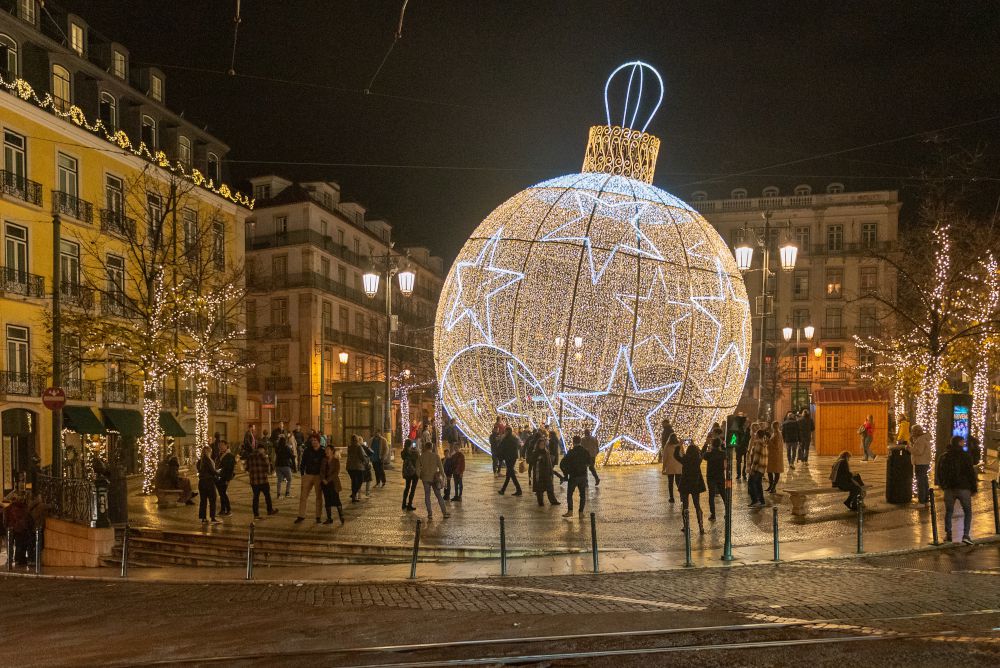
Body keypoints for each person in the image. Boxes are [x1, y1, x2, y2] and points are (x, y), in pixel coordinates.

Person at [936, 435, 978, 544]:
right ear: (959, 443)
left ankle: (948, 534)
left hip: (949, 488)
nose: (964, 443)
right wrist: (973, 488)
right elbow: (970, 473)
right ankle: (966, 535)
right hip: (964, 488)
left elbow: (939, 472)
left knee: (949, 511)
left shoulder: (944, 456)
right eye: (963, 442)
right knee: (967, 511)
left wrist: (943, 485)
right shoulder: (966, 456)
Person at [675, 441, 706, 534]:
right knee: (697, 505)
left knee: (685, 506)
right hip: (695, 484)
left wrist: (679, 446)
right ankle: (701, 527)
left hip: (685, 484)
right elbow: (702, 452)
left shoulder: (685, 459)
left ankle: (686, 526)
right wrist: (700, 445)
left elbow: (676, 455)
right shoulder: (698, 460)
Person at [294, 435, 325, 523]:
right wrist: (302, 474)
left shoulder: (322, 451)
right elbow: (303, 462)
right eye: (312, 440)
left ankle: (318, 516)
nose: (314, 442)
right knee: (303, 496)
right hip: (308, 475)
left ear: (319, 441)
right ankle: (301, 515)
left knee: (319, 497)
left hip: (318, 476)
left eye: (315, 440)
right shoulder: (307, 450)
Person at [417, 440, 449, 520]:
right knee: (438, 495)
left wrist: (420, 476)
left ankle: (430, 514)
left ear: (425, 447)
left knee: (427, 496)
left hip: (425, 478)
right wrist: (443, 478)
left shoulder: (421, 456)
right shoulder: (436, 456)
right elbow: (441, 469)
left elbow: (417, 469)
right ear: (432, 447)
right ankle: (444, 512)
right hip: (434, 479)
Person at [560, 436, 591, 517]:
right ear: (580, 441)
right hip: (583, 476)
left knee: (570, 494)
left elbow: (562, 464)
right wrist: (584, 466)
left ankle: (570, 511)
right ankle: (581, 512)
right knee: (582, 495)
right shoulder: (585, 451)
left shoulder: (571, 452)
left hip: (573, 476)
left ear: (573, 442)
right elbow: (590, 462)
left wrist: (566, 473)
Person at [246, 443, 278, 519]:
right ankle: (269, 510)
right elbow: (268, 469)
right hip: (263, 480)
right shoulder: (264, 456)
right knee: (267, 496)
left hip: (254, 481)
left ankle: (256, 514)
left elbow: (247, 468)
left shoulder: (250, 456)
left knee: (255, 498)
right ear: (262, 449)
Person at [2, 493, 32, 566]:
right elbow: (27, 518)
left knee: (10, 546)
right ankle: (18, 560)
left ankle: (10, 560)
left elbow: (5, 521)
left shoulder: (7, 509)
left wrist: (6, 527)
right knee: (19, 545)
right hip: (21, 529)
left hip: (11, 529)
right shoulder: (24, 507)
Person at [319, 443, 345, 525]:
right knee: (327, 500)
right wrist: (323, 479)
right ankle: (329, 518)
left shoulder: (336, 461)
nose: (326, 451)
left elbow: (335, 473)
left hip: (333, 483)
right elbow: (321, 471)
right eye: (325, 450)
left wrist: (328, 480)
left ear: (332, 451)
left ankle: (341, 517)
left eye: (328, 450)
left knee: (336, 500)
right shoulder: (323, 460)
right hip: (325, 484)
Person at [702, 436, 726, 521]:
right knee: (724, 494)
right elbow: (725, 451)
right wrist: (722, 445)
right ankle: (727, 512)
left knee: (711, 496)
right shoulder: (723, 454)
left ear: (712, 445)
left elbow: (702, 454)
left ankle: (713, 515)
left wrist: (705, 444)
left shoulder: (709, 454)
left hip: (711, 477)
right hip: (720, 476)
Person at [532, 439, 561, 507]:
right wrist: (538, 459)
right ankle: (540, 502)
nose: (542, 446)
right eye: (541, 444)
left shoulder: (546, 451)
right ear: (538, 445)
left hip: (547, 472)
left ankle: (553, 501)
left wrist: (551, 471)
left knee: (550, 487)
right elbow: (531, 460)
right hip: (539, 473)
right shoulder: (535, 452)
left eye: (543, 444)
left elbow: (549, 463)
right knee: (540, 489)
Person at [195, 446, 220, 524]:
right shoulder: (208, 460)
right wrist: (218, 473)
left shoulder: (200, 461)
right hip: (209, 482)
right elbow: (212, 471)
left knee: (203, 501)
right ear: (209, 452)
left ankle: (203, 519)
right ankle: (212, 518)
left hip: (201, 482)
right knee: (212, 499)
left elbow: (200, 470)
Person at [908, 424, 932, 505]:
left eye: (913, 431)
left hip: (920, 463)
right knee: (924, 481)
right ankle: (926, 499)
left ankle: (922, 501)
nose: (912, 432)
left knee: (921, 482)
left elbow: (918, 451)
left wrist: (908, 448)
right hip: (925, 462)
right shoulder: (924, 438)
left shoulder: (920, 440)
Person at [746, 427, 769, 508]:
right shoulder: (764, 443)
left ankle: (755, 500)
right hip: (762, 468)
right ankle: (762, 501)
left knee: (751, 483)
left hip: (757, 468)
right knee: (758, 484)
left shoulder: (758, 443)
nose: (754, 435)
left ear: (758, 435)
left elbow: (756, 458)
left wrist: (752, 469)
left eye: (756, 434)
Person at [497, 426, 523, 496]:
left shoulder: (506, 439)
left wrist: (501, 457)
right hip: (513, 458)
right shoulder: (514, 438)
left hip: (508, 458)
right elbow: (519, 446)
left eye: (505, 431)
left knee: (511, 474)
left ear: (507, 431)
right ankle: (503, 490)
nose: (504, 432)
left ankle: (519, 490)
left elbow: (502, 448)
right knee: (509, 474)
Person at [215, 440, 235, 517]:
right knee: (221, 494)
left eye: (222, 445)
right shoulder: (219, 455)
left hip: (224, 478)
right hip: (218, 477)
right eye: (219, 445)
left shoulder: (229, 456)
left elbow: (230, 469)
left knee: (223, 493)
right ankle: (223, 510)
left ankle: (229, 510)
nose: (220, 447)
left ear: (227, 446)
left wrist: (228, 479)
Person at [346, 434, 368, 502]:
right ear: (357, 440)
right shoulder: (358, 447)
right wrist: (366, 462)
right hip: (358, 467)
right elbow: (362, 456)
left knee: (354, 481)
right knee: (360, 480)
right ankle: (354, 493)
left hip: (350, 467)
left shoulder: (349, 447)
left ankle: (353, 495)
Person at [663, 433, 683, 502]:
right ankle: (682, 496)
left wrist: (663, 468)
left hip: (670, 466)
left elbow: (665, 458)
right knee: (678, 482)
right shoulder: (680, 445)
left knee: (670, 483)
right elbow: (683, 454)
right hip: (678, 466)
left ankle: (671, 498)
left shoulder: (667, 446)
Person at [274, 435, 296, 499]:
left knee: (279, 480)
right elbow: (291, 456)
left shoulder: (277, 448)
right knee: (289, 479)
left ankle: (278, 494)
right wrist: (294, 466)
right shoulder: (287, 448)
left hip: (278, 466)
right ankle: (287, 493)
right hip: (285, 465)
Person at [765, 421, 784, 493]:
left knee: (776, 471)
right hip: (771, 455)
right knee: (769, 471)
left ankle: (774, 487)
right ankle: (771, 485)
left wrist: (769, 442)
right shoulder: (774, 433)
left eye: (775, 426)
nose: (774, 427)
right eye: (773, 426)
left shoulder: (778, 434)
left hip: (776, 455)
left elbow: (777, 446)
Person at [400, 439, 419, 511]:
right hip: (414, 472)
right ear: (411, 444)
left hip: (407, 472)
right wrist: (416, 451)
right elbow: (417, 460)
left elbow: (403, 458)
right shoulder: (414, 452)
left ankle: (403, 504)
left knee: (407, 488)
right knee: (413, 489)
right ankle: (409, 504)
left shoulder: (403, 452)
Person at [735, 415, 750, 480]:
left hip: (745, 448)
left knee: (745, 462)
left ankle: (744, 474)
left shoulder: (748, 429)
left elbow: (749, 438)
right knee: (739, 462)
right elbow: (736, 439)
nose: (747, 423)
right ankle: (739, 474)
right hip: (739, 448)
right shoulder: (738, 429)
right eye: (746, 421)